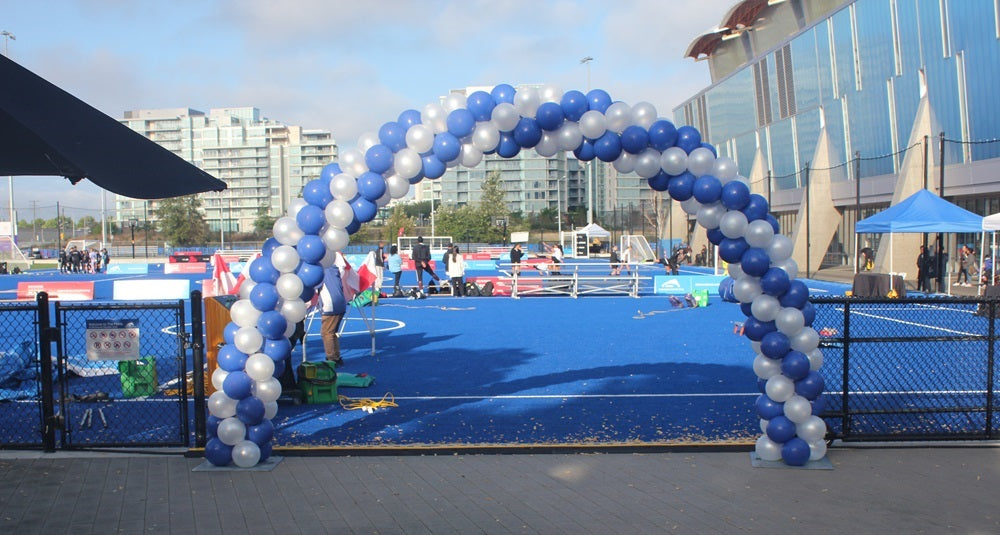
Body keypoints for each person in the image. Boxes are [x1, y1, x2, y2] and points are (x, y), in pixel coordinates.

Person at [319, 258, 347, 366]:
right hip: (340, 304)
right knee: (332, 332)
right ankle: (336, 355)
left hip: (330, 305)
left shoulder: (320, 272)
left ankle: (331, 358)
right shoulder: (334, 270)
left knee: (326, 333)